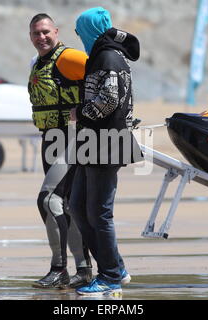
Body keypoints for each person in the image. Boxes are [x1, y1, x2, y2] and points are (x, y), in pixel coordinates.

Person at [69, 7, 143, 296]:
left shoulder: (108, 56)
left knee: (99, 213)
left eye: (79, 31)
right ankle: (116, 268)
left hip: (106, 142)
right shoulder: (103, 53)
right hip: (94, 141)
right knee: (77, 206)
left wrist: (81, 113)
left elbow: (110, 99)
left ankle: (111, 276)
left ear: (89, 30)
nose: (78, 36)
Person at [28, 13, 92, 289]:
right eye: (35, 33)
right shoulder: (37, 62)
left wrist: (89, 111)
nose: (41, 37)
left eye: (45, 32)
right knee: (66, 205)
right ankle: (83, 269)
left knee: (48, 199)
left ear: (56, 31)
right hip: (51, 138)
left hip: (73, 138)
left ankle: (59, 269)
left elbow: (109, 78)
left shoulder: (69, 58)